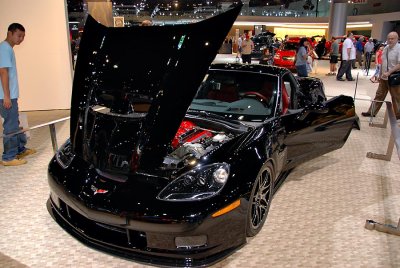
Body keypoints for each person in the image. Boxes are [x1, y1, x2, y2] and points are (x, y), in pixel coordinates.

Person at [0, 23, 36, 166]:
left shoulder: (7, 49)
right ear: (10, 33)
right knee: (10, 125)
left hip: (9, 95)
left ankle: (20, 149)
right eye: (19, 35)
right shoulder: (4, 48)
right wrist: (7, 96)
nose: (21, 39)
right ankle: (8, 157)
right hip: (5, 96)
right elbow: (3, 72)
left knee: (15, 123)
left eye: (23, 37)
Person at [361, 31, 400, 119]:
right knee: (379, 95)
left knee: (396, 97)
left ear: (397, 39)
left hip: (394, 77)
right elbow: (383, 62)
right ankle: (372, 112)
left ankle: (398, 115)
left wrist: (389, 72)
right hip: (383, 77)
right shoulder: (386, 48)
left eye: (392, 38)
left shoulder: (399, 49)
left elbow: (399, 64)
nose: (390, 40)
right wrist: (380, 75)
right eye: (389, 38)